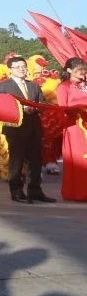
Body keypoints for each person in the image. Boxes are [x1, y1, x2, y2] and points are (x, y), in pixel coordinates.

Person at [0, 56, 56, 204]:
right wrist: (21, 109)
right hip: (15, 129)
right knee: (17, 162)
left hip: (34, 127)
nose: (21, 69)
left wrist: (36, 108)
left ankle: (35, 191)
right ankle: (16, 192)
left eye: (23, 66)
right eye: (17, 67)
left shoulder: (33, 86)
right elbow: (0, 107)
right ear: (10, 70)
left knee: (36, 161)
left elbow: (43, 103)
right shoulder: (3, 86)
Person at [56, 57, 87, 201]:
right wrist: (79, 109)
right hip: (75, 127)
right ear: (69, 70)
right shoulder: (64, 87)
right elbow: (62, 109)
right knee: (80, 159)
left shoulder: (85, 85)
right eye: (79, 69)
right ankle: (80, 192)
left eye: (84, 68)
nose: (83, 71)